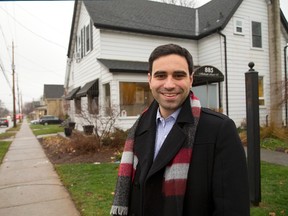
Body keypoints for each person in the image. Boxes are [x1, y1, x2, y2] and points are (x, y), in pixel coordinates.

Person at [111, 44, 250, 216]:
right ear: (150, 80)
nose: (169, 85)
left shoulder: (219, 130)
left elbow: (232, 209)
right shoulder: (139, 128)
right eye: (160, 75)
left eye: (178, 75)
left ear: (191, 79)